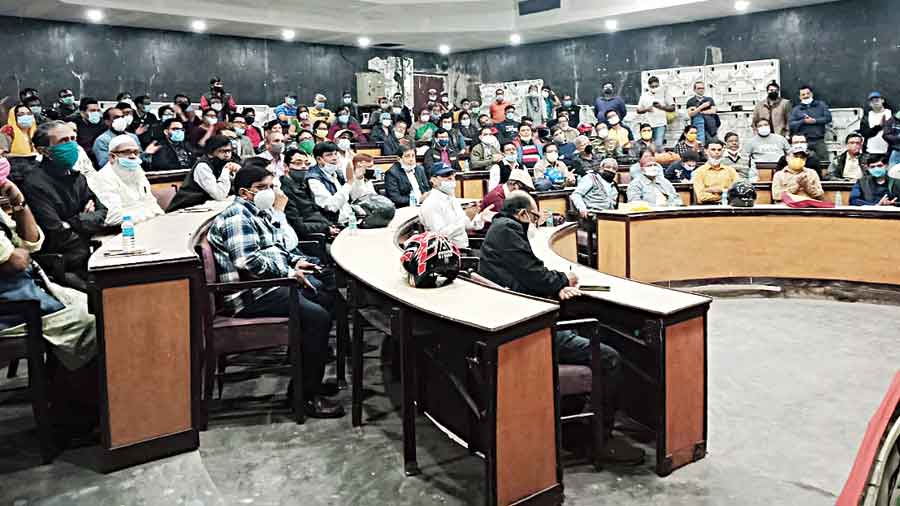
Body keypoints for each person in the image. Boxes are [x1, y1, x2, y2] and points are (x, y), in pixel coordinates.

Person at [478, 190, 644, 466]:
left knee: (593, 328)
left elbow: (525, 276)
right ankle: (599, 441)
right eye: (533, 216)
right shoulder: (508, 230)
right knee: (609, 356)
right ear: (521, 215)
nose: (535, 222)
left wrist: (556, 288)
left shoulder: (500, 227)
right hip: (529, 328)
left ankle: (575, 426)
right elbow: (534, 275)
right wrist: (563, 279)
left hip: (524, 312)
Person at [207, 164, 343, 418]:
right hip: (250, 294)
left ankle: (308, 378)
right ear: (246, 192)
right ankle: (304, 397)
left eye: (271, 186)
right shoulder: (238, 215)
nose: (270, 192)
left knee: (327, 296)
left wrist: (293, 262)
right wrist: (289, 273)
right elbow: (248, 262)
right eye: (263, 188)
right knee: (317, 318)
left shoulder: (258, 211)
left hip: (268, 285)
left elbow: (274, 249)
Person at [0, 170, 99, 438]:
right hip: (12, 308)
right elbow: (14, 262)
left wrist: (19, 203)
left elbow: (32, 242)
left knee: (98, 304)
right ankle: (76, 416)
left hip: (31, 288)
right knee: (91, 321)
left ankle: (69, 399)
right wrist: (19, 254)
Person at [21, 121, 109, 290]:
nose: (71, 145)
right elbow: (55, 231)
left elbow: (102, 213)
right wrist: (84, 220)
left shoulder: (78, 178)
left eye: (73, 139)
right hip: (62, 264)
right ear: (43, 150)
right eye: (63, 141)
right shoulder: (34, 183)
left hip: (87, 255)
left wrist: (71, 222)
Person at [86, 135, 164, 224]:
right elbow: (112, 217)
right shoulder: (103, 178)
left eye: (136, 152)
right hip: (117, 232)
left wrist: (162, 217)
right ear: (112, 157)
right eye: (127, 152)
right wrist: (149, 214)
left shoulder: (138, 171)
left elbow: (151, 202)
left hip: (145, 223)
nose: (133, 156)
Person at [419, 163, 493, 248]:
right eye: (446, 176)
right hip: (447, 254)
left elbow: (466, 224)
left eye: (452, 175)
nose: (451, 178)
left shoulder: (452, 198)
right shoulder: (431, 204)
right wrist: (467, 216)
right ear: (434, 180)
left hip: (464, 247)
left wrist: (480, 218)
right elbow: (440, 236)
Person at [306, 142, 375, 225]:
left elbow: (355, 198)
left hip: (350, 220)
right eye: (329, 155)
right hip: (334, 225)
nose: (334, 158)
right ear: (319, 159)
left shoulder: (337, 174)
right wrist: (349, 182)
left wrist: (358, 179)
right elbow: (331, 206)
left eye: (335, 154)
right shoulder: (313, 179)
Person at [167, 135, 241, 211]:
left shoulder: (223, 163)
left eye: (229, 151)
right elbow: (219, 195)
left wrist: (240, 172)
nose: (227, 155)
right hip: (184, 209)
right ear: (211, 153)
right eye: (222, 151)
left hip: (205, 207)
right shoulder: (202, 166)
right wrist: (226, 171)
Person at [280, 149, 341, 240]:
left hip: (325, 229)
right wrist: (326, 228)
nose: (304, 167)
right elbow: (298, 226)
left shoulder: (305, 184)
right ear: (286, 166)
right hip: (311, 239)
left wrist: (330, 226)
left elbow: (316, 213)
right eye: (298, 163)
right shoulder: (284, 191)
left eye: (307, 163)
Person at [92, 106, 158, 170]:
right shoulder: (102, 140)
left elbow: (139, 159)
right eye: (116, 117)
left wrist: (146, 153)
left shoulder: (133, 137)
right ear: (107, 121)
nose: (120, 120)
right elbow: (103, 164)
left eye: (122, 117)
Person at [788, 85, 833, 162]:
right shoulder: (796, 109)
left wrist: (815, 121)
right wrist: (803, 121)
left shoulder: (821, 105)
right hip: (803, 142)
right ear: (799, 97)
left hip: (819, 140)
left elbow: (828, 118)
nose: (806, 96)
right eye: (803, 94)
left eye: (808, 93)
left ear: (811, 94)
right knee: (802, 162)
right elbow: (791, 124)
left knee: (824, 162)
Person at [692, 140, 739, 205]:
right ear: (706, 151)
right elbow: (701, 197)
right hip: (707, 207)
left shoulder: (731, 171)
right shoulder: (698, 172)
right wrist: (725, 193)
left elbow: (737, 192)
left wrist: (713, 190)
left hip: (729, 207)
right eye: (713, 150)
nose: (717, 152)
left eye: (719, 150)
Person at [636, 77, 675, 149]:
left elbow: (672, 108)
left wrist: (660, 107)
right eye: (652, 86)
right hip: (647, 124)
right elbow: (638, 110)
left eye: (656, 86)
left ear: (659, 85)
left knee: (658, 145)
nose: (654, 88)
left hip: (660, 124)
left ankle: (657, 158)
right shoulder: (644, 95)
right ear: (649, 86)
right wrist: (646, 109)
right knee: (647, 145)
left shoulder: (664, 93)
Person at [860, 91, 893, 156]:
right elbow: (864, 133)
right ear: (870, 104)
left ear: (882, 100)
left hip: (889, 153)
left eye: (877, 100)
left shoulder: (891, 114)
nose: (875, 102)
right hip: (870, 152)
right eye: (872, 101)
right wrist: (879, 127)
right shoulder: (867, 117)